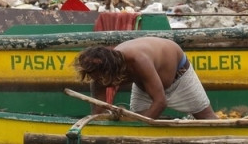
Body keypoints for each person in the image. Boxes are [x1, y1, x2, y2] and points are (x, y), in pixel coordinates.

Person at [74, 36, 217, 119]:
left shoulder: (137, 60)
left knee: (206, 117)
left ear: (109, 68)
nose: (97, 80)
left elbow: (160, 102)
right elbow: (98, 109)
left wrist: (139, 128)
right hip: (145, 84)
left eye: (98, 76)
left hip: (179, 76)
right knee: (136, 116)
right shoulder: (99, 75)